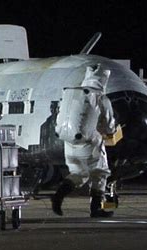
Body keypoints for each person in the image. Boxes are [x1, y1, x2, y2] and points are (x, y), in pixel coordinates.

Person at [52, 65, 116, 217]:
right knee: (100, 173)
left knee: (78, 173)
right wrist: (111, 131)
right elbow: (108, 125)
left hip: (69, 143)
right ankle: (96, 208)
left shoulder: (71, 94)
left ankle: (59, 195)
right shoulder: (100, 97)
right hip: (90, 143)